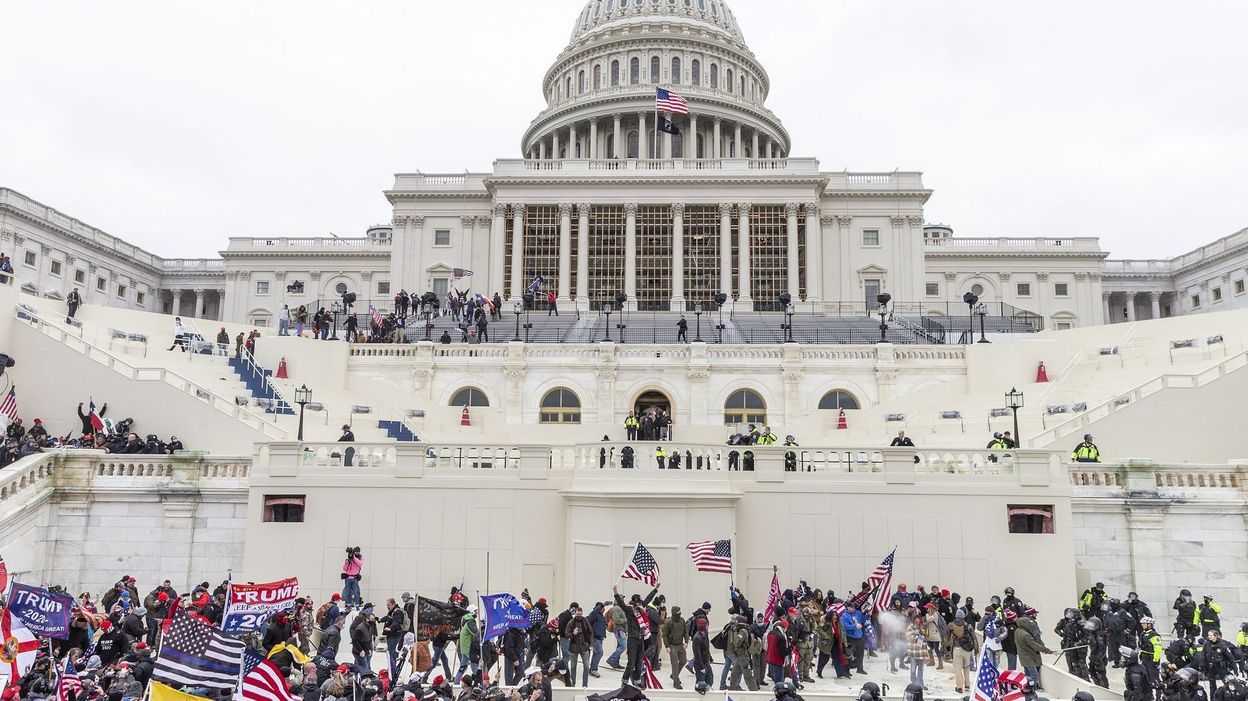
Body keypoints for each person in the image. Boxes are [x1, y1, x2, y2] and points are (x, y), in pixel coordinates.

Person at [612, 584, 659, 686]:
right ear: (636, 601)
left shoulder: (641, 608)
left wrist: (655, 589)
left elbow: (648, 598)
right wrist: (615, 593)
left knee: (639, 662)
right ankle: (624, 681)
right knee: (631, 663)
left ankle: (637, 681)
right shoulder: (629, 610)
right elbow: (621, 603)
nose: (642, 603)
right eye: (640, 601)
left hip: (640, 639)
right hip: (632, 640)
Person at [1014, 612, 1052, 689]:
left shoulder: (1017, 631)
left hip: (1023, 656)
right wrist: (1046, 650)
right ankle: (1032, 689)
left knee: (1027, 675)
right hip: (1028, 657)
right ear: (1025, 624)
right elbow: (1035, 645)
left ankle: (1025, 688)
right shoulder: (1026, 635)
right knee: (1034, 675)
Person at [948, 611, 979, 693]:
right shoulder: (968, 626)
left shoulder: (951, 625)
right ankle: (967, 685)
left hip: (957, 649)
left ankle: (959, 687)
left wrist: (945, 648)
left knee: (958, 669)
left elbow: (946, 638)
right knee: (966, 667)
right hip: (967, 650)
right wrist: (976, 650)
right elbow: (974, 638)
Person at [564, 606, 593, 687]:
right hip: (573, 647)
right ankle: (573, 684)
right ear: (574, 614)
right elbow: (566, 634)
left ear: (582, 613)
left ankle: (585, 685)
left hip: (584, 646)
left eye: (580, 614)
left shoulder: (585, 620)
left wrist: (591, 644)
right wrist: (573, 633)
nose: (579, 615)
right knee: (573, 667)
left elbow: (591, 632)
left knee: (587, 666)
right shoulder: (571, 622)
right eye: (577, 614)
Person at [661, 604, 688, 688]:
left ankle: (674, 675)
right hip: (672, 646)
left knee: (683, 661)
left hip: (680, 645)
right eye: (677, 613)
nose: (679, 614)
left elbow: (686, 632)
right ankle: (676, 682)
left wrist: (686, 641)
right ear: (673, 613)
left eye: (680, 612)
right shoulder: (669, 622)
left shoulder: (682, 620)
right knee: (675, 664)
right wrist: (667, 646)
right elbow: (664, 635)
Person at [454, 605, 480, 683]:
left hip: (465, 648)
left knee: (463, 667)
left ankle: (456, 682)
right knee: (475, 664)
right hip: (469, 648)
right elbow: (476, 633)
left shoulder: (466, 619)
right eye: (475, 611)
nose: (477, 613)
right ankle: (477, 682)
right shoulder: (470, 621)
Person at [691, 617, 713, 691]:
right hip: (700, 664)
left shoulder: (705, 634)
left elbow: (706, 648)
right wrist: (701, 667)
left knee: (710, 680)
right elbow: (697, 654)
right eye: (706, 625)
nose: (707, 626)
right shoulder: (697, 638)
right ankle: (700, 694)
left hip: (706, 662)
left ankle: (706, 692)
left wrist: (710, 658)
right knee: (700, 683)